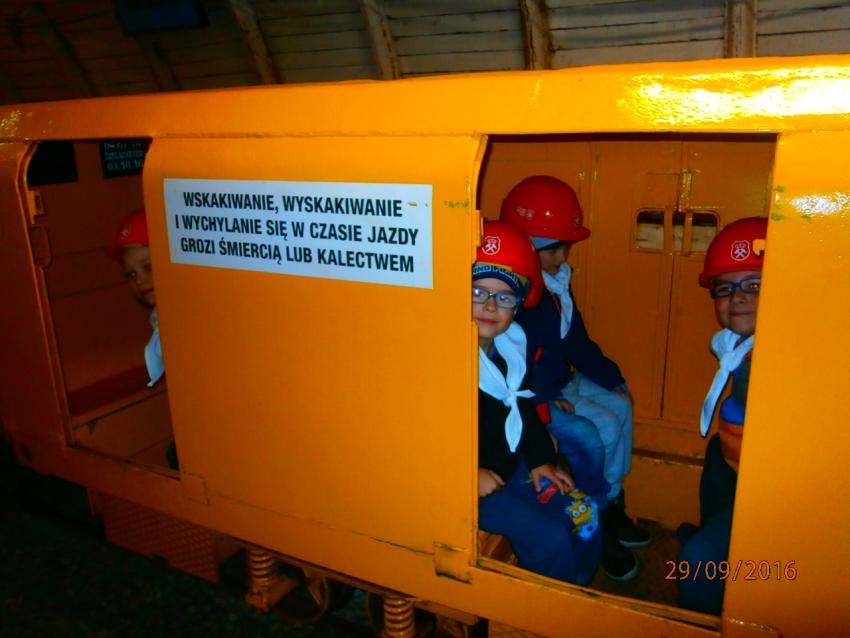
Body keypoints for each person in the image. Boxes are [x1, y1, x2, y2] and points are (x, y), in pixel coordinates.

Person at [499, 175, 649, 581]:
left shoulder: (557, 283)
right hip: (537, 392)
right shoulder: (514, 292)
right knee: (593, 432)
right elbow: (512, 357)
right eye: (553, 248)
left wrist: (611, 377)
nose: (562, 256)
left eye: (565, 246)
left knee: (620, 405)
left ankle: (612, 503)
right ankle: (593, 519)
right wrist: (542, 397)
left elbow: (576, 340)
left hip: (561, 381)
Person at [475, 220, 602, 585]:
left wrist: (539, 460)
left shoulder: (512, 348)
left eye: (504, 297)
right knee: (548, 538)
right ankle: (549, 607)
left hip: (512, 468)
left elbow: (524, 410)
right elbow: (424, 436)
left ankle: (577, 588)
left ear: (518, 306)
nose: (490, 305)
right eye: (478, 292)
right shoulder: (441, 358)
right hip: (468, 487)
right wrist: (467, 474)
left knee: (584, 512)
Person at [676, 217, 767, 615]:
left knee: (697, 563)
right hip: (739, 463)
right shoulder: (739, 346)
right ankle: (715, 531)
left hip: (776, 491)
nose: (738, 298)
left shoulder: (772, 357)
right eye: (726, 288)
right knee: (716, 452)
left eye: (754, 286)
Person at [107, 208, 177, 470]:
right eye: (131, 274)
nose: (139, 280)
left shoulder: (188, 314)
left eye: (147, 267)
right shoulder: (162, 315)